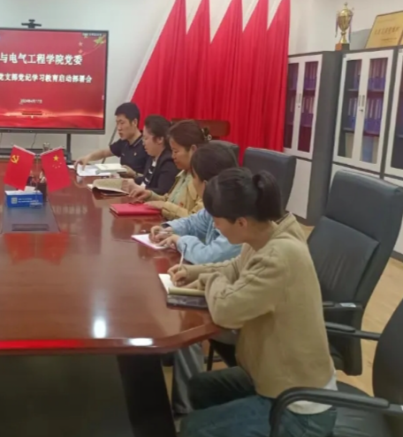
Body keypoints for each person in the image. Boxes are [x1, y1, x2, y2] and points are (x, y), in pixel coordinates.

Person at [172, 168, 337, 437]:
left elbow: (225, 310)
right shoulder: (262, 235)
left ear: (241, 222)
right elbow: (235, 267)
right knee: (198, 388)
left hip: (299, 407)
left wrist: (211, 280)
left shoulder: (279, 256)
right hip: (270, 376)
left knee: (193, 428)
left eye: (217, 221)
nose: (215, 227)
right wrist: (194, 272)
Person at [147, 142, 241, 417]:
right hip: (227, 290)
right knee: (170, 296)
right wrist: (167, 228)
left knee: (187, 322)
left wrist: (181, 241)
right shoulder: (218, 204)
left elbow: (211, 256)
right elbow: (193, 223)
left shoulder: (235, 214)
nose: (191, 184)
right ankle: (160, 359)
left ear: (207, 184)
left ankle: (185, 411)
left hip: (242, 314)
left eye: (194, 179)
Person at [131, 120, 208, 220]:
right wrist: (150, 195)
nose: (172, 156)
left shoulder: (204, 178)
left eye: (176, 151)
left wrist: (164, 206)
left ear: (193, 150)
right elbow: (171, 200)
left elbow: (197, 220)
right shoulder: (184, 173)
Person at [74, 102, 148, 177]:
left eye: (122, 123)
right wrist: (87, 157)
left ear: (134, 122)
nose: (119, 128)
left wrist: (134, 174)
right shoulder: (124, 142)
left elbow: (151, 180)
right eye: (117, 123)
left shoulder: (146, 145)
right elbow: (103, 153)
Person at [122, 115, 178, 195]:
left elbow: (163, 192)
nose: (143, 143)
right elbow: (146, 181)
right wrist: (132, 181)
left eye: (146, 138)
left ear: (160, 139)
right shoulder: (151, 157)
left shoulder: (168, 162)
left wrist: (137, 187)